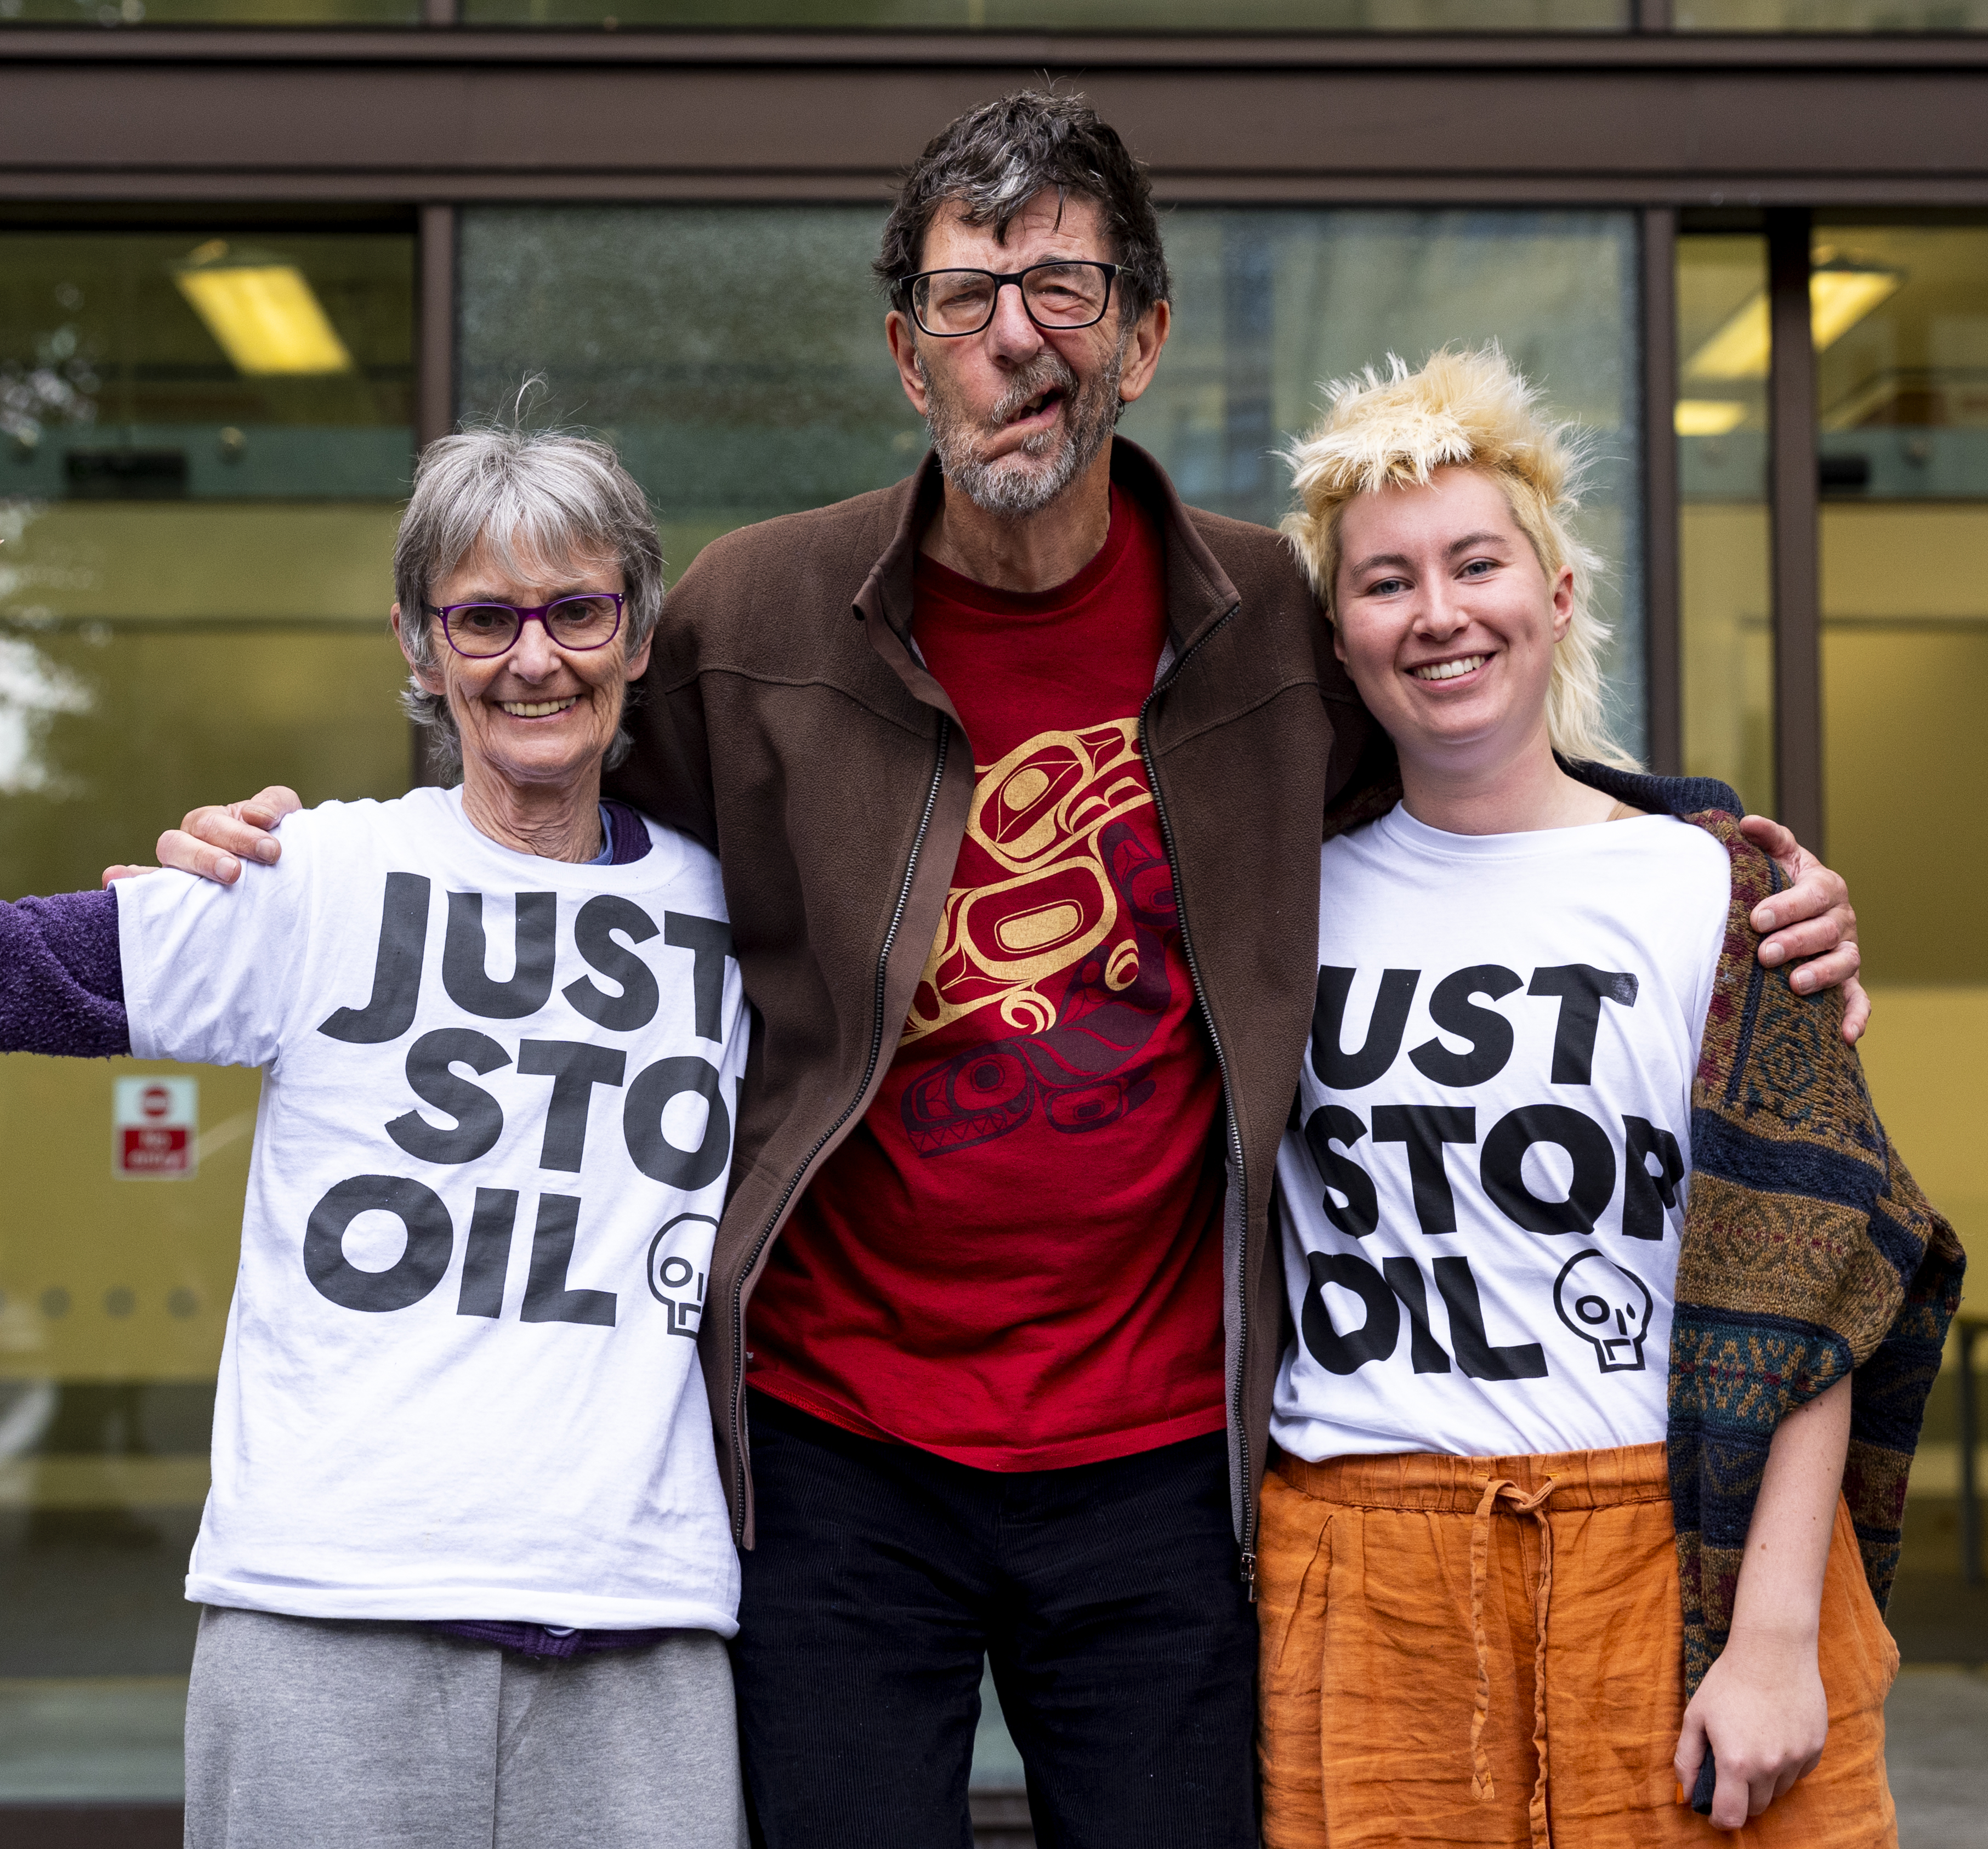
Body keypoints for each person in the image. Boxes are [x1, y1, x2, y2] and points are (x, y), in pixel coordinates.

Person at [152, 91, 1870, 1848]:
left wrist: (1715, 852)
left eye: (1064, 286)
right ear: (908, 354)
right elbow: (541, 773)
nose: (1018, 341)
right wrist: (309, 840)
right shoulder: (755, 619)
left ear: (1146, 330)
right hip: (837, 1439)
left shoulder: (1270, 619)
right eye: (969, 300)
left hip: (1151, 1450)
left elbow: (1475, 756)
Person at [0, 413, 749, 1849]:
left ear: (638, 631)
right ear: (419, 651)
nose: (532, 656)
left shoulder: (741, 909)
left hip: (640, 1625)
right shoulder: (312, 875)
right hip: (323, 1611)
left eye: (575, 608)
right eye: (481, 616)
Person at [1254, 347, 1960, 1846]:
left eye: (1474, 563)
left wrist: (1770, 1635)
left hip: (1675, 1550)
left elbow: (1814, 1280)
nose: (1437, 613)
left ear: (1556, 594)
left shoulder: (1715, 888)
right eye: (1384, 581)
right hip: (1368, 1571)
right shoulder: (1272, 910)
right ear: (1337, 635)